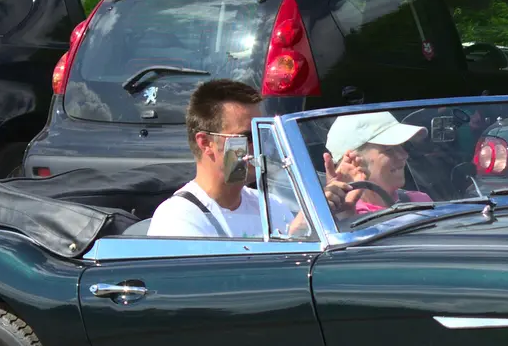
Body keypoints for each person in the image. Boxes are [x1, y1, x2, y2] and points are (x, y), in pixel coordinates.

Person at [147, 79, 362, 239]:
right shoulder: (179, 219)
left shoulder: (270, 204)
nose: (258, 147)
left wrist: (337, 214)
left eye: (261, 135)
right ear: (206, 143)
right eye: (247, 137)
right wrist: (297, 233)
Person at [323, 110, 431, 217]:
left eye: (401, 146)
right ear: (353, 161)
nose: (403, 155)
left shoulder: (419, 200)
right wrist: (341, 213)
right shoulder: (337, 214)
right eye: (388, 150)